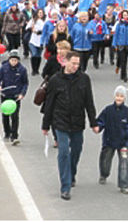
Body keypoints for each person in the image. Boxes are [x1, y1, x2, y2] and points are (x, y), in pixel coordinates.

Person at [42, 51, 99, 201]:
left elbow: (89, 102)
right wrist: (45, 125)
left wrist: (94, 122)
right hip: (60, 121)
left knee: (77, 150)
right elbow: (49, 103)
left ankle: (71, 172)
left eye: (77, 64)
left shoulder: (84, 79)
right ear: (65, 62)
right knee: (63, 153)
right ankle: (65, 186)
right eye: (73, 63)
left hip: (77, 122)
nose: (75, 66)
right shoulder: (55, 80)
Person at [97, 85, 128, 194]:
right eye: (117, 96)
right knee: (105, 159)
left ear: (124, 98)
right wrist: (98, 127)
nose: (119, 98)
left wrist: (126, 136)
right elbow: (101, 120)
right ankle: (104, 174)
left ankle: (124, 184)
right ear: (114, 97)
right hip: (109, 140)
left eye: (121, 96)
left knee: (124, 163)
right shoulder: (108, 110)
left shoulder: (127, 112)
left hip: (123, 142)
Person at [0, 50, 28, 145]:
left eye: (15, 60)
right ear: (9, 60)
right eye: (12, 60)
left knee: (15, 116)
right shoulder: (4, 68)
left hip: (16, 96)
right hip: (5, 95)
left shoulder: (22, 70)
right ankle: (7, 132)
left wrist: (22, 93)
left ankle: (14, 135)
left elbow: (25, 83)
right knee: (5, 115)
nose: (13, 62)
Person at [112, 10, 128, 83]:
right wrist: (114, 43)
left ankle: (122, 74)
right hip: (120, 44)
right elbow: (116, 35)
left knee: (125, 60)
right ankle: (124, 75)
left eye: (126, 15)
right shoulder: (119, 24)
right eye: (124, 15)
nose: (125, 16)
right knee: (122, 59)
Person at [26, 9, 46, 76]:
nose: (40, 14)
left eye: (41, 13)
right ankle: (33, 69)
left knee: (38, 55)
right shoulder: (33, 20)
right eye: (39, 13)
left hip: (41, 41)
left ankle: (37, 69)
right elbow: (27, 28)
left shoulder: (45, 21)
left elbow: (45, 31)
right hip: (33, 41)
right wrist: (31, 28)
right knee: (34, 54)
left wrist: (38, 32)